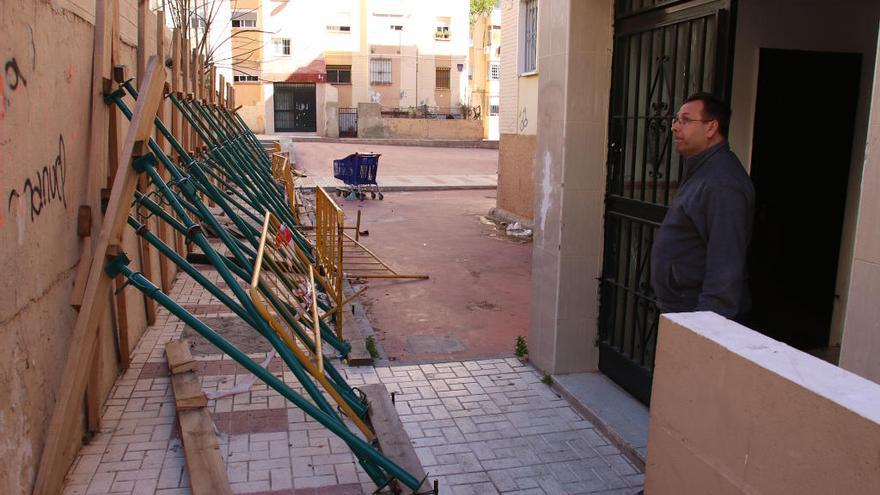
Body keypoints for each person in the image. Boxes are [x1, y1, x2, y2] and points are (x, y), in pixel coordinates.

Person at [650, 93, 755, 321]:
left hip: (696, 315)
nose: (675, 128)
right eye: (676, 120)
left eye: (685, 120)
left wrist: (704, 327)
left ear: (711, 128)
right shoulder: (701, 170)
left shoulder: (723, 183)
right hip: (681, 311)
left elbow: (725, 266)